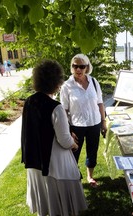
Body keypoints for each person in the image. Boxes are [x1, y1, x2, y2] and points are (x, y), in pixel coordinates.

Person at [21, 59, 88, 216]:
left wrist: (66, 134)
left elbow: (39, 128)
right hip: (53, 162)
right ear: (56, 82)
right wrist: (74, 144)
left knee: (46, 201)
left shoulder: (29, 101)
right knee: (60, 202)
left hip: (34, 160)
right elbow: (64, 141)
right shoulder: (55, 107)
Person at [60, 53, 107, 188]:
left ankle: (90, 177)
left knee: (92, 152)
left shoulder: (93, 82)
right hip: (76, 126)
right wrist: (68, 130)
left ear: (87, 67)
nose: (78, 69)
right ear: (72, 67)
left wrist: (103, 122)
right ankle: (75, 178)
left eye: (82, 66)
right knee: (73, 154)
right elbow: (63, 110)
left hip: (94, 123)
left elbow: (100, 103)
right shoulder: (67, 86)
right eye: (75, 66)